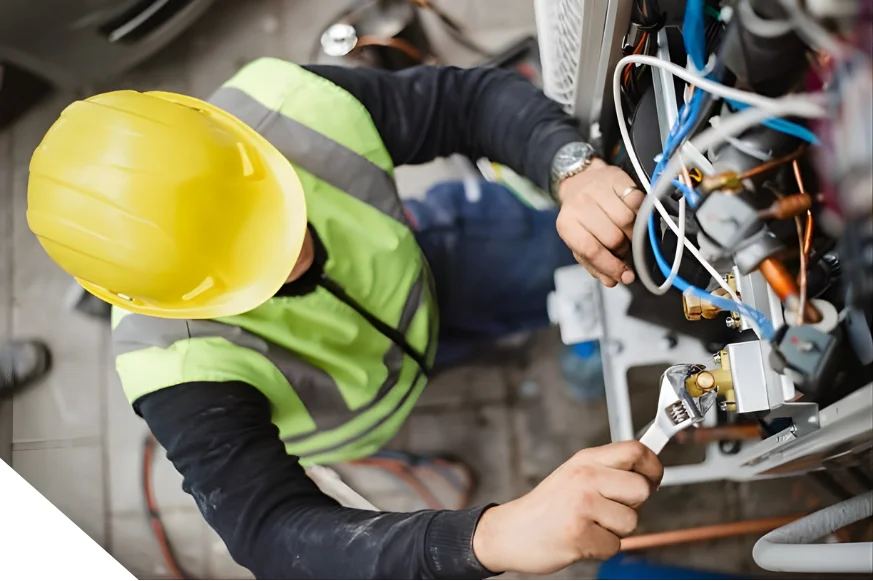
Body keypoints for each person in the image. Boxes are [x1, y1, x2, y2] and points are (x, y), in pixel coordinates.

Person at [26, 59, 659, 579]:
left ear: (236, 145)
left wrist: (572, 172)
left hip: (431, 271)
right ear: (166, 302)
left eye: (276, 211)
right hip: (361, 401)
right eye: (255, 273)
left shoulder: (289, 104)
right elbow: (273, 531)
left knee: (587, 242)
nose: (297, 255)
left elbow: (467, 102)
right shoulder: (176, 370)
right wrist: (490, 535)